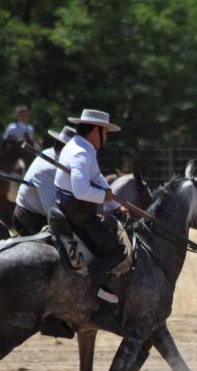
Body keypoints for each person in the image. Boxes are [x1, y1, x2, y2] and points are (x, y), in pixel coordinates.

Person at [54, 109, 127, 285]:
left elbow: (97, 178)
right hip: (79, 214)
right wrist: (105, 197)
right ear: (96, 131)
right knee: (117, 251)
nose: (107, 136)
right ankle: (88, 283)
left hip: (73, 207)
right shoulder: (80, 154)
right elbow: (81, 191)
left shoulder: (83, 147)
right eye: (106, 132)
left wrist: (115, 205)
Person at [13, 125, 77, 236]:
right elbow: (51, 210)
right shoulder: (49, 168)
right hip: (30, 220)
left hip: (37, 214)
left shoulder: (50, 154)